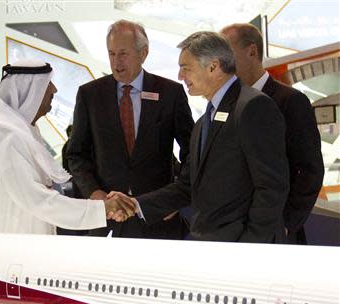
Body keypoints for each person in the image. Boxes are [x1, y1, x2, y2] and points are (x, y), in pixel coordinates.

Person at [113, 31, 290, 243]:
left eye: (185, 68)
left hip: (243, 248)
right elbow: (188, 185)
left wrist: (251, 245)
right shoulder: (202, 123)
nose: (180, 76)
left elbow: (271, 186)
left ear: (213, 67)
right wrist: (135, 205)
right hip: (210, 244)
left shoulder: (253, 106)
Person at [0, 59, 135, 234]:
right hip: (13, 247)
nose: (54, 89)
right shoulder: (7, 138)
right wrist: (101, 209)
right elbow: (38, 200)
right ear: (30, 91)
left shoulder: (24, 133)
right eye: (47, 83)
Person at [66, 20, 194, 239]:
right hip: (107, 217)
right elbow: (76, 154)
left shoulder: (170, 93)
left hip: (159, 218)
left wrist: (175, 199)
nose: (117, 62)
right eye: (112, 53)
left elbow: (191, 152)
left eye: (123, 53)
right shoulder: (90, 95)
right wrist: (95, 194)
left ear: (143, 53)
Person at [221, 24, 324, 244]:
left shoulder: (290, 101)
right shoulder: (227, 104)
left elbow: (309, 169)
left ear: (252, 52)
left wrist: (286, 224)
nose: (222, 63)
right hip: (234, 232)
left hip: (276, 235)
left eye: (227, 53)